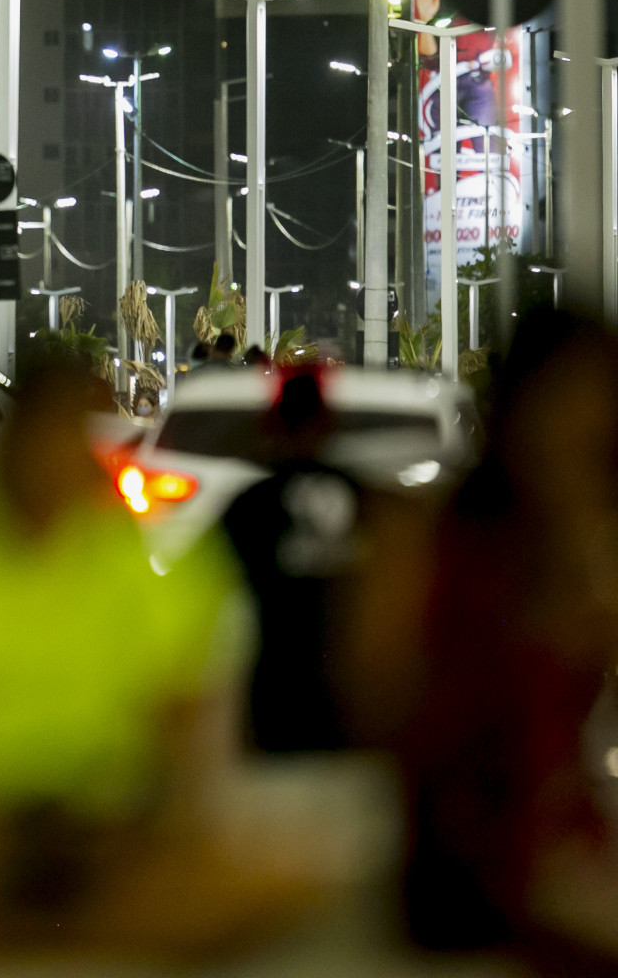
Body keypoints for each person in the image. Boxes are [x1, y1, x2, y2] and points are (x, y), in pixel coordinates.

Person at [0, 345, 309, 956]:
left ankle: (12, 932)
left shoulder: (134, 553)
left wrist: (161, 833)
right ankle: (63, 931)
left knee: (288, 875)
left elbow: (183, 732)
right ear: (14, 436)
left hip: (100, 830)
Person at [384, 311, 618, 964]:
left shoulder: (589, 539)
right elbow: (390, 704)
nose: (583, 425)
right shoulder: (447, 547)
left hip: (572, 849)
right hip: (476, 870)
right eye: (564, 399)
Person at [218, 366, 362, 753]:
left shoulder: (249, 505)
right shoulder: (366, 500)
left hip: (275, 689)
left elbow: (216, 598)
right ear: (328, 423)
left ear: (274, 424)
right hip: (352, 691)